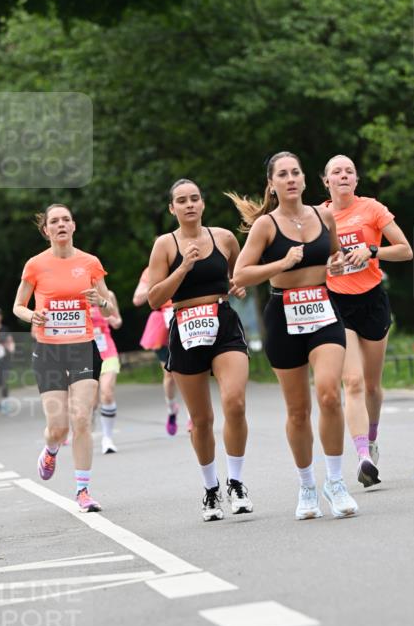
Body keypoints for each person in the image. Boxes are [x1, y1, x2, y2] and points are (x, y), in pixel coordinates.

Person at [229, 151, 359, 521]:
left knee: (331, 393)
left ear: (304, 180)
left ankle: (335, 482)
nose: (290, 179)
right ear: (272, 184)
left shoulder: (325, 215)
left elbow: (333, 255)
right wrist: (282, 264)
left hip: (322, 308)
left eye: (295, 173)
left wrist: (340, 261)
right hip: (283, 315)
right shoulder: (266, 226)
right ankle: (307, 486)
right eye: (282, 174)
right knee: (299, 411)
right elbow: (240, 275)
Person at [147, 179, 253, 522]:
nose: (189, 204)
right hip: (185, 325)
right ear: (172, 208)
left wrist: (237, 285)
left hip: (222, 323)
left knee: (234, 402)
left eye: (195, 198)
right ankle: (211, 490)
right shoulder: (165, 245)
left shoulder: (223, 237)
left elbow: (241, 273)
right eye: (182, 200)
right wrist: (183, 267)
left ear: (203, 204)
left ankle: (236, 483)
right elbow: (154, 299)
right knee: (202, 420)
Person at [12, 203, 116, 512]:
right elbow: (18, 305)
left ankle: (83, 490)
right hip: (49, 351)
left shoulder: (89, 263)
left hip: (83, 346)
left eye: (66, 220)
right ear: (46, 230)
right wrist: (33, 315)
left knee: (81, 418)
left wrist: (102, 301)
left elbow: (108, 307)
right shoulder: (35, 265)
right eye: (54, 221)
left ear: (73, 226)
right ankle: (51, 448)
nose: (60, 225)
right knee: (58, 427)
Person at [322, 154, 413, 486]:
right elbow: (310, 264)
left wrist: (372, 251)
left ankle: (372, 440)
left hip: (372, 300)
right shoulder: (320, 216)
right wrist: (326, 268)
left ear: (356, 181)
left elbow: (405, 250)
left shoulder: (372, 209)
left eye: (349, 171)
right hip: (337, 303)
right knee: (354, 382)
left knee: (373, 386)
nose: (343, 175)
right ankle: (362, 457)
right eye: (336, 171)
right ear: (326, 181)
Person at [133, 267, 182, 435]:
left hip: (186, 316)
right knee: (169, 376)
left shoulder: (187, 260)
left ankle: (193, 416)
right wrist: (159, 285)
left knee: (191, 371)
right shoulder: (151, 271)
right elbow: (137, 299)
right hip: (163, 325)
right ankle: (172, 409)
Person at [90, 289, 122, 454]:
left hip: (107, 351)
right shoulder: (74, 297)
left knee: (107, 392)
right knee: (91, 402)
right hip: (85, 355)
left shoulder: (108, 294)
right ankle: (89, 423)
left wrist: (113, 320)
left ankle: (107, 439)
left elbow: (117, 320)